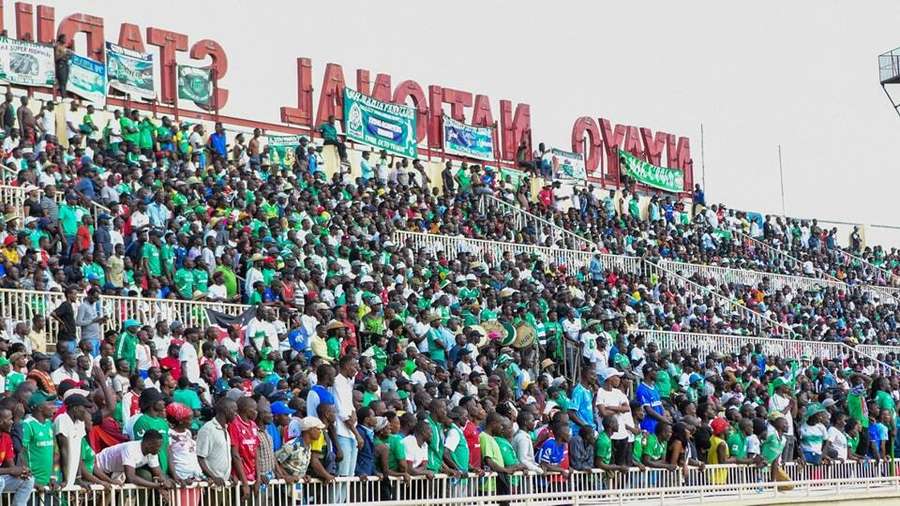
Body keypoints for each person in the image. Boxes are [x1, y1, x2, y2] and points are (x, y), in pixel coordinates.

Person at [94, 430, 172, 489]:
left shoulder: (152, 452)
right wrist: (157, 486)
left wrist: (165, 481)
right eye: (158, 446)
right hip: (97, 467)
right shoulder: (131, 449)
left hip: (114, 472)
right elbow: (131, 477)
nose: (159, 450)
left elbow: (158, 473)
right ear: (148, 445)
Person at [196, 397, 237, 486]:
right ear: (226, 410)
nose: (236, 414)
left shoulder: (225, 428)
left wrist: (228, 475)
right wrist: (213, 477)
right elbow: (200, 457)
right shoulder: (208, 429)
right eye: (234, 410)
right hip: (213, 484)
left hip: (224, 482)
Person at [0, 406, 34, 506]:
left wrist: (21, 471)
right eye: (9, 419)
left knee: (28, 480)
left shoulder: (6, 437)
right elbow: (10, 470)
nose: (12, 422)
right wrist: (10, 470)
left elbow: (11, 466)